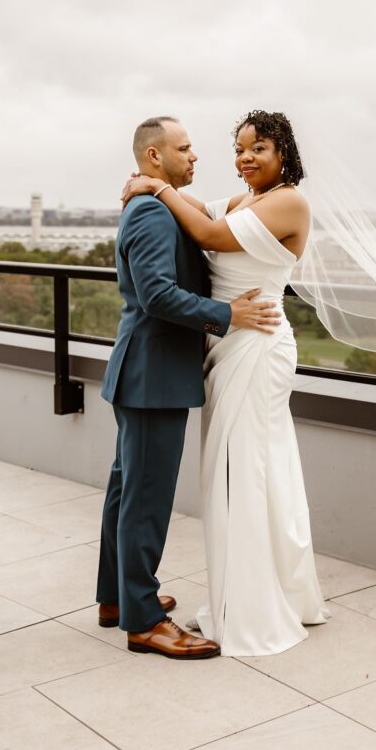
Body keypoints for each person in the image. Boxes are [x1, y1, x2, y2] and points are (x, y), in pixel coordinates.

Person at [121, 111, 332, 656]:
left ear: (284, 150)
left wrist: (156, 185)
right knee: (248, 471)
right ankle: (271, 588)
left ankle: (253, 605)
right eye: (238, 149)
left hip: (256, 346)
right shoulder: (247, 201)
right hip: (228, 346)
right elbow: (201, 212)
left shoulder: (290, 201)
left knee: (246, 473)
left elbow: (209, 234)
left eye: (258, 148)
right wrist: (161, 189)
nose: (244, 159)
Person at [96, 115, 282, 660]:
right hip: (154, 376)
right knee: (145, 500)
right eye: (185, 148)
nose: (195, 155)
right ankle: (145, 620)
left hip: (142, 372)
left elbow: (200, 230)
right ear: (155, 157)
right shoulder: (153, 213)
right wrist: (227, 313)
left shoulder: (157, 202)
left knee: (126, 490)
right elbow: (155, 294)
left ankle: (118, 598)